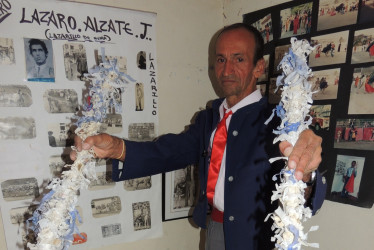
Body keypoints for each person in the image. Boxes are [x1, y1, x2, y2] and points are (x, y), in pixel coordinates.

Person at [71, 23, 326, 250]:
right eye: (221, 59)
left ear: (258, 66)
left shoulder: (280, 121)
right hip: (214, 229)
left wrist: (308, 176)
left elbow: (306, 185)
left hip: (260, 238)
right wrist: (116, 148)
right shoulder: (209, 119)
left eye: (238, 59)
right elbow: (168, 151)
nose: (227, 69)